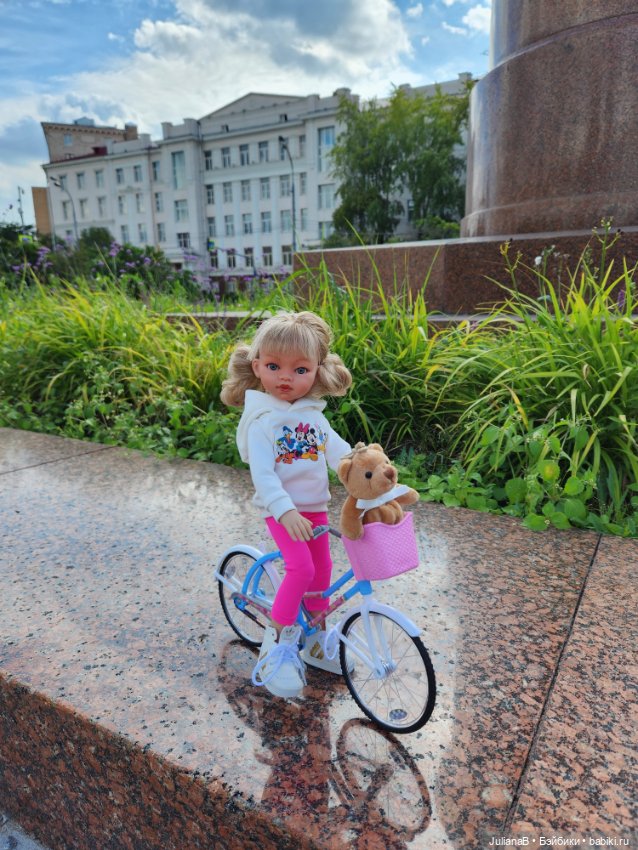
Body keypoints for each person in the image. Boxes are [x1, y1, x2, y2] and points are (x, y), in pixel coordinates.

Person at [221, 310, 352, 699]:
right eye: (275, 366)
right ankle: (276, 645)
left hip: (314, 507)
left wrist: (365, 469)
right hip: (282, 510)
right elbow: (263, 474)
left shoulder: (313, 417)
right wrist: (284, 509)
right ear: (257, 366)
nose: (286, 377)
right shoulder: (262, 420)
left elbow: (339, 455)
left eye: (300, 370)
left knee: (324, 568)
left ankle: (315, 637)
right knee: (300, 567)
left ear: (315, 371)